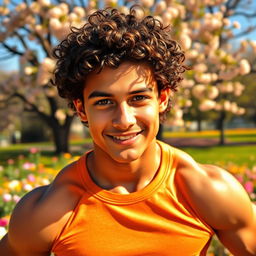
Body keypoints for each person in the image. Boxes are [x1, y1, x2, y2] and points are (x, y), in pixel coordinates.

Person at [0, 6, 255, 256]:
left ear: (163, 99)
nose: (123, 120)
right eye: (104, 102)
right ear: (81, 110)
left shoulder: (208, 191)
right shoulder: (44, 213)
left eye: (138, 98)